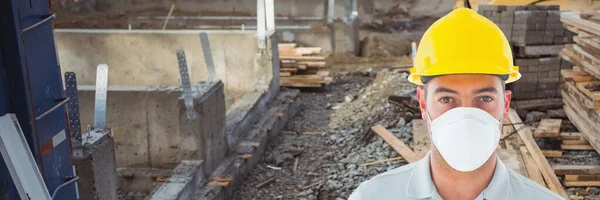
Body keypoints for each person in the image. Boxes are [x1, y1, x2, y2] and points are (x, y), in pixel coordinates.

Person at [348, 7, 565, 200]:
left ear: (505, 105)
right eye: (447, 99)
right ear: (423, 104)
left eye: (485, 98)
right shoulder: (371, 196)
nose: (466, 116)